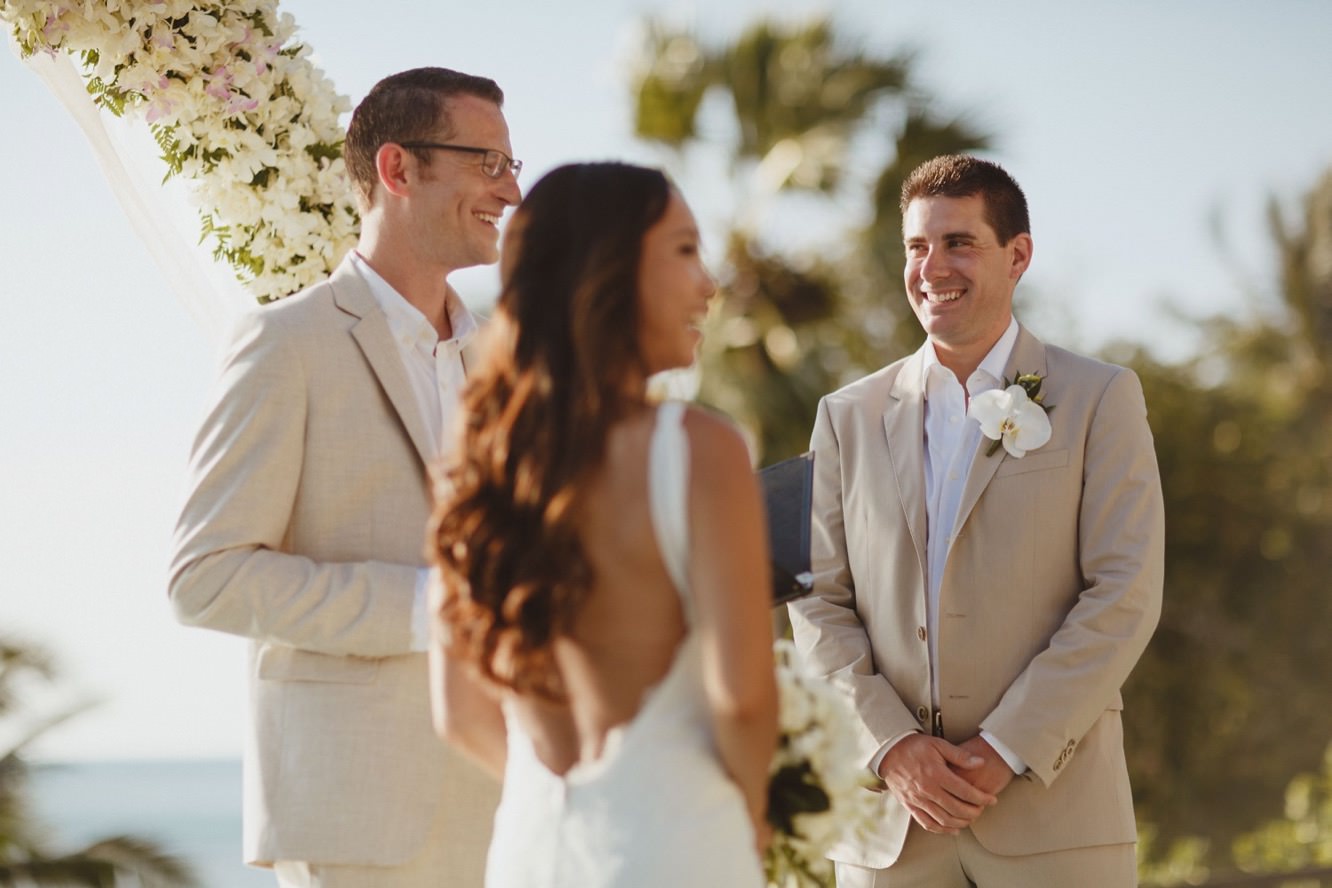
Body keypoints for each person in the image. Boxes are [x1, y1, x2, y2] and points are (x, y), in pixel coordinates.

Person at [168, 67, 521, 888]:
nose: (510, 191)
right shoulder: (284, 344)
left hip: (516, 811)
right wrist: (434, 607)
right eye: (488, 164)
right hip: (359, 818)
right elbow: (205, 578)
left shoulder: (506, 361)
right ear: (399, 170)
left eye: (510, 164)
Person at [788, 154, 1164, 887]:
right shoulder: (845, 418)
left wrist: (1008, 746)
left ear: (1017, 254)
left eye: (959, 242)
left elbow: (1124, 591)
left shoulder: (1099, 399)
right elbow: (816, 600)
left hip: (1055, 824)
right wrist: (891, 746)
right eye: (916, 246)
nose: (932, 267)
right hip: (888, 834)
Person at [425, 162, 779, 888]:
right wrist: (748, 815)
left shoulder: (479, 459)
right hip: (675, 847)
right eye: (684, 250)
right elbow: (742, 699)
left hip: (532, 850)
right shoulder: (700, 450)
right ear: (608, 269)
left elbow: (458, 712)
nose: (707, 285)